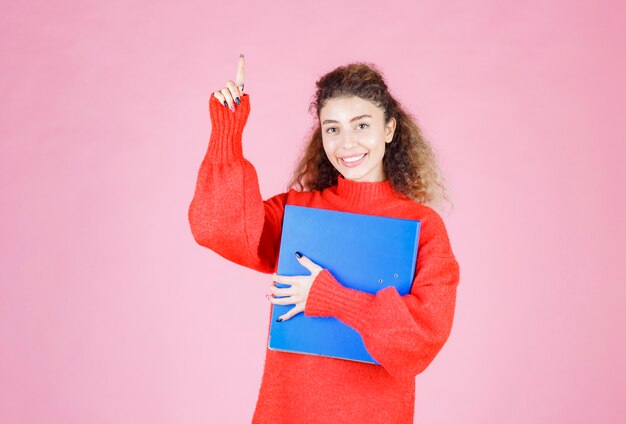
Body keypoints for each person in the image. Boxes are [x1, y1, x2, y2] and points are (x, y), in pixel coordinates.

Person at [188, 54, 461, 424]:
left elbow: (417, 343)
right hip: (285, 412)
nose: (346, 143)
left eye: (361, 125)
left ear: (390, 129)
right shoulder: (298, 213)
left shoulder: (421, 226)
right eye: (332, 128)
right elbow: (216, 227)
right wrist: (227, 131)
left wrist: (329, 297)